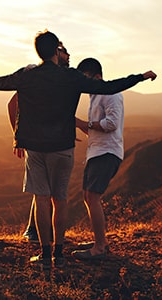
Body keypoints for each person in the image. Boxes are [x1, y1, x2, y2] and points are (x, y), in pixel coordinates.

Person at [0, 30, 157, 269]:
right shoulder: (70, 77)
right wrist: (140, 76)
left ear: (38, 51)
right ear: (56, 52)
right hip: (63, 146)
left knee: (41, 200)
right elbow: (110, 87)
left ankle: (45, 254)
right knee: (60, 200)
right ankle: (59, 254)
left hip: (36, 148)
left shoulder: (28, 75)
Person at [7, 41, 70, 243]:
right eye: (64, 51)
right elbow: (12, 103)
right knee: (42, 191)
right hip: (37, 141)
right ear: (55, 53)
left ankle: (40, 233)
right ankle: (34, 231)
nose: (69, 56)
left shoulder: (58, 78)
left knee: (45, 190)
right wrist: (18, 136)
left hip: (50, 139)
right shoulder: (36, 74)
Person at [71, 58, 126, 260]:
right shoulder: (95, 96)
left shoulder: (109, 93)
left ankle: (100, 248)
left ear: (96, 76)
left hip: (107, 152)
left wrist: (86, 123)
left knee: (92, 197)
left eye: (84, 78)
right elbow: (96, 127)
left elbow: (111, 123)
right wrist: (78, 124)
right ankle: (99, 240)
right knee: (88, 196)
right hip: (97, 152)